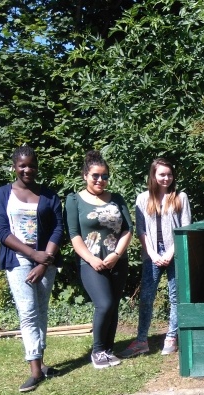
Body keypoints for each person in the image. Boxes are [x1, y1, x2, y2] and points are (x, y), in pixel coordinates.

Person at [0, 145, 64, 392]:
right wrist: (33, 255)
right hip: (19, 259)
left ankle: (40, 363)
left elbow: (57, 228)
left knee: (41, 310)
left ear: (37, 166)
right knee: (28, 311)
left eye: (31, 165)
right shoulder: (2, 194)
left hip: (47, 258)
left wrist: (45, 261)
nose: (27, 169)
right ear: (14, 167)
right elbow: (1, 231)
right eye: (22, 165)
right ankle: (34, 370)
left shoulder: (50, 196)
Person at [65, 150, 133, 369]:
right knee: (103, 304)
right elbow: (74, 234)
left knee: (113, 306)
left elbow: (127, 230)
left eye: (104, 176)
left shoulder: (117, 199)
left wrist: (116, 255)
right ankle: (97, 351)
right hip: (91, 263)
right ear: (85, 175)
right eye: (95, 175)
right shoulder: (74, 200)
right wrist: (91, 259)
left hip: (117, 261)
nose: (100, 180)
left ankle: (108, 349)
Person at [120, 158, 192, 358]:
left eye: (169, 174)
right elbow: (141, 230)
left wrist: (170, 252)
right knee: (146, 297)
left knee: (176, 296)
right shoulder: (143, 199)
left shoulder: (180, 197)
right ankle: (141, 340)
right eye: (162, 174)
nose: (166, 178)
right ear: (153, 176)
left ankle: (171, 336)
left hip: (175, 252)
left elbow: (186, 228)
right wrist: (152, 253)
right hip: (151, 252)